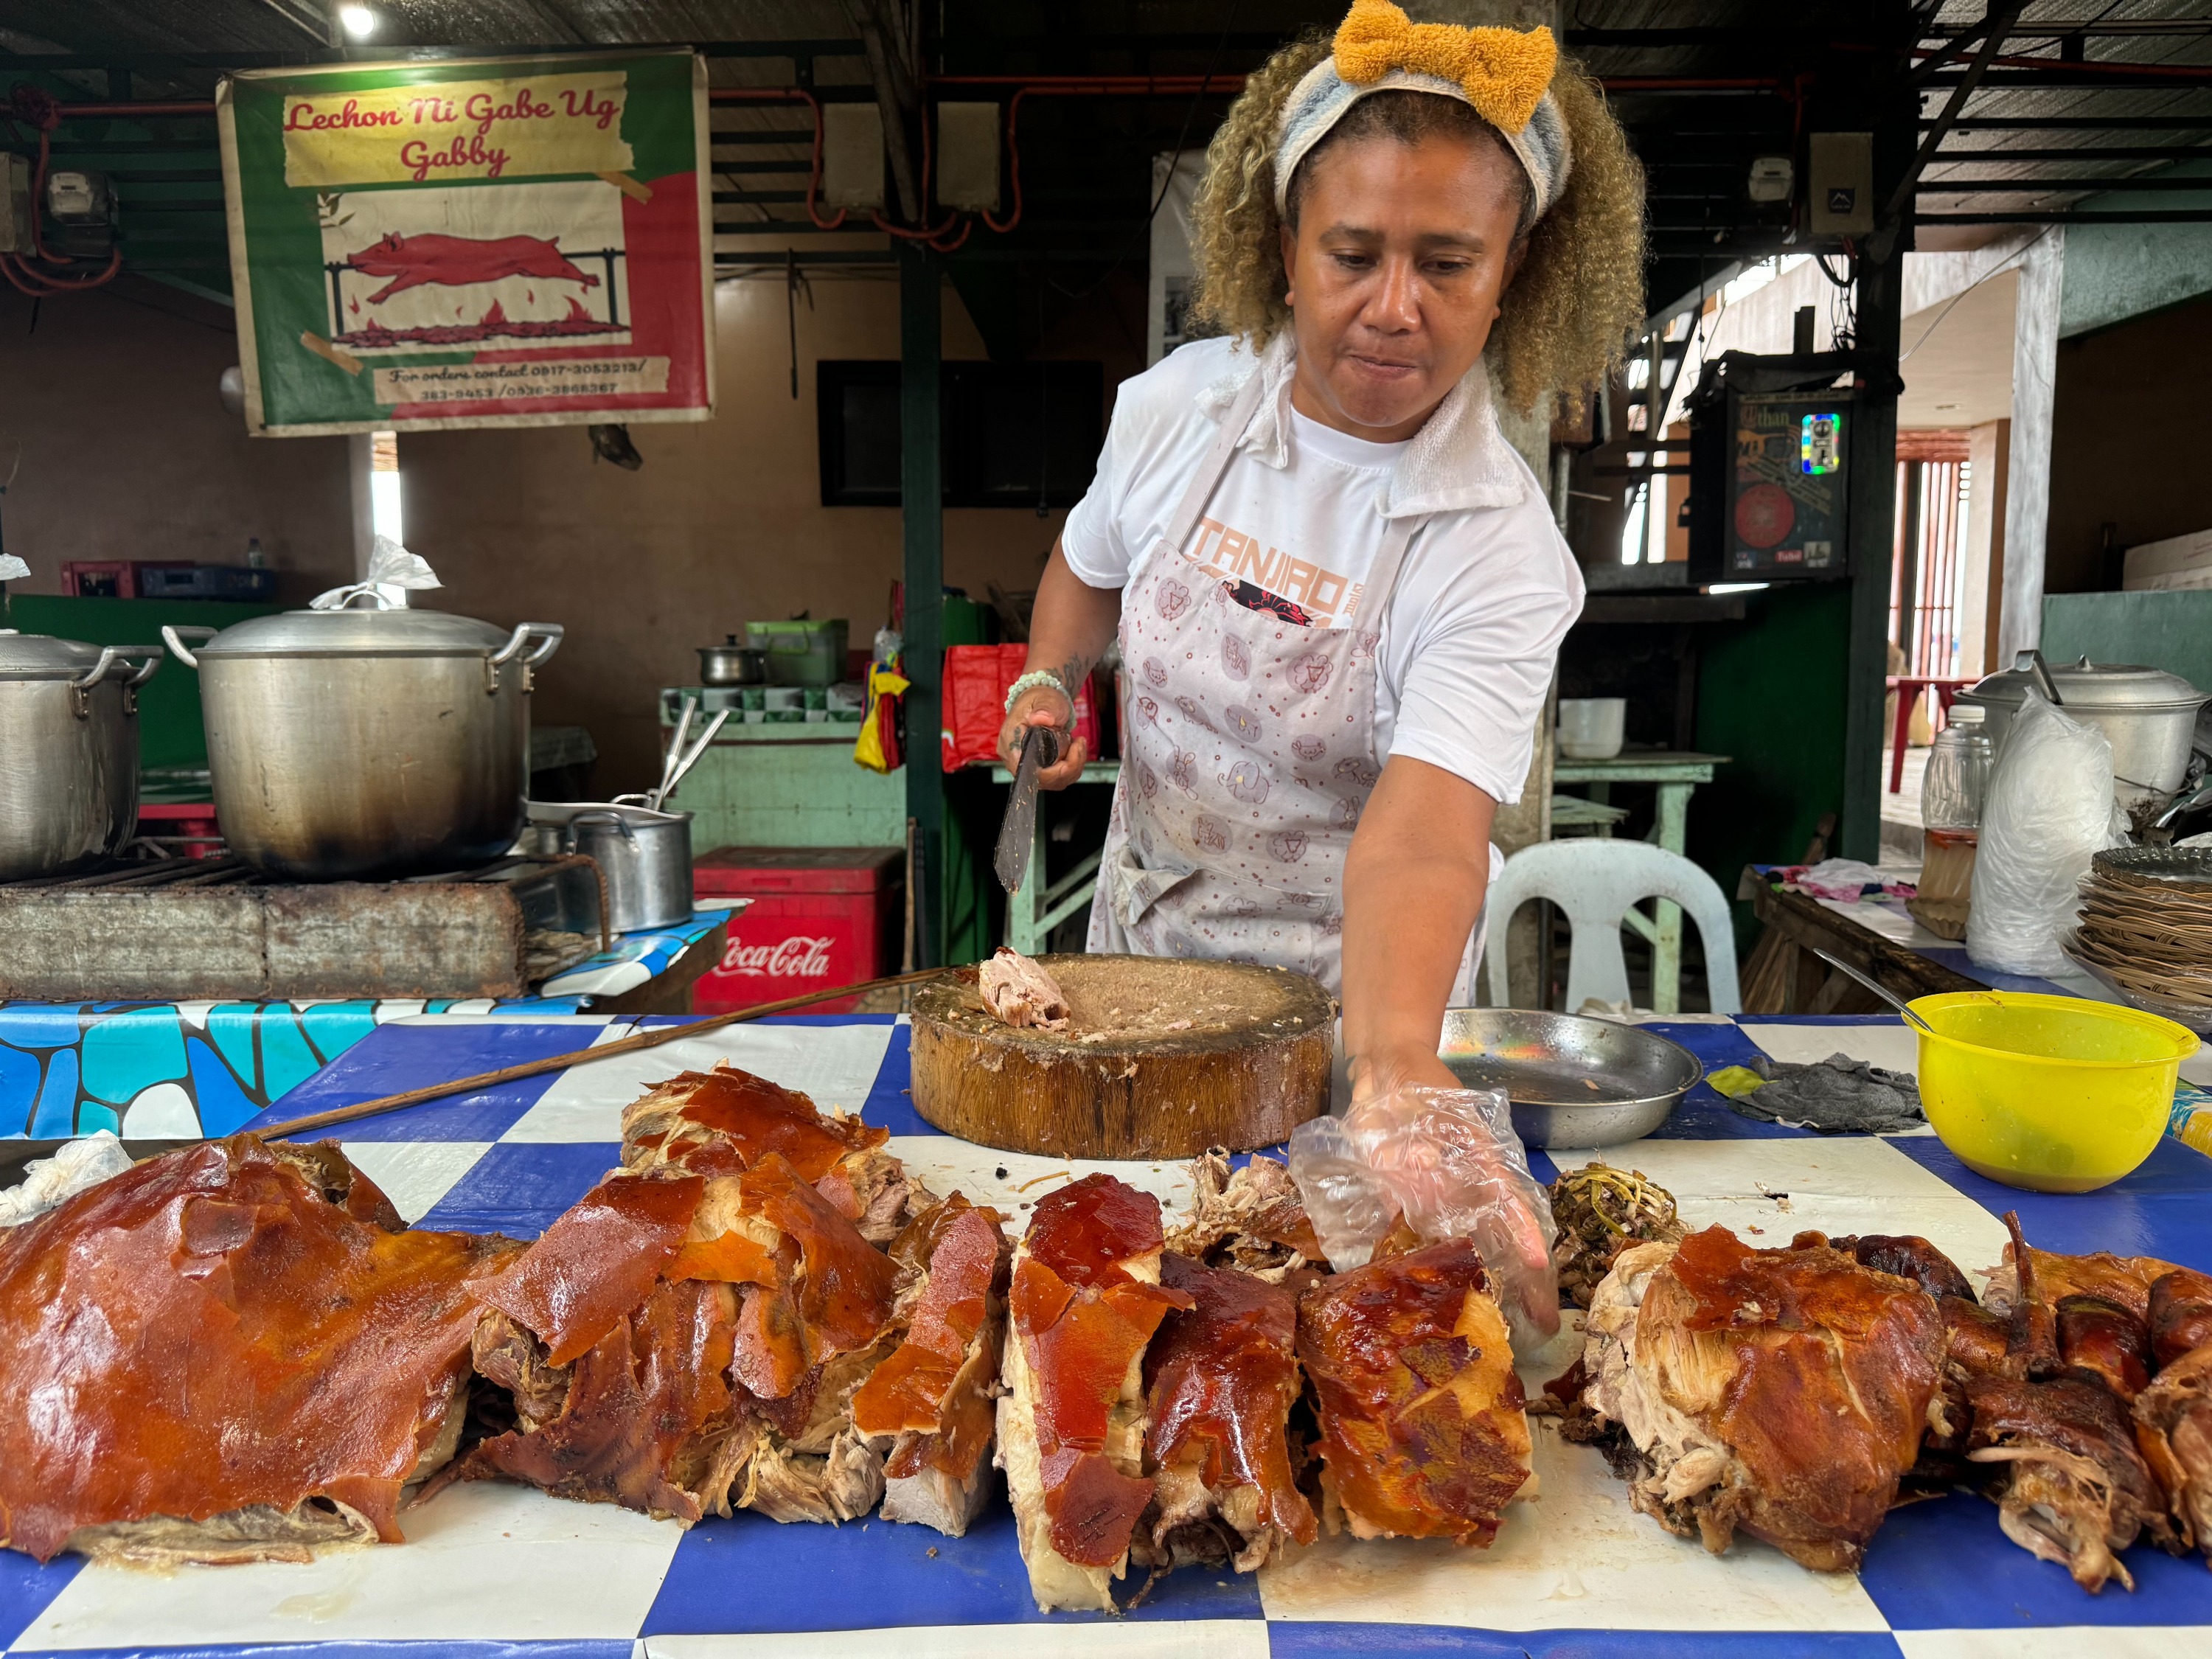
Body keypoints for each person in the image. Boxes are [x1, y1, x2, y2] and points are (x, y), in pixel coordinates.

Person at [996, 0, 1645, 1099]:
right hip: (1143, 965)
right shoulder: (1178, 412)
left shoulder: (1498, 546)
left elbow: (1427, 837)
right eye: (1352, 255)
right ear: (1286, 250)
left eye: (1448, 264)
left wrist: (1392, 1070)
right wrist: (1049, 676)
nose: (1394, 308)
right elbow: (1088, 566)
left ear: (1512, 275)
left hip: (1352, 1016)